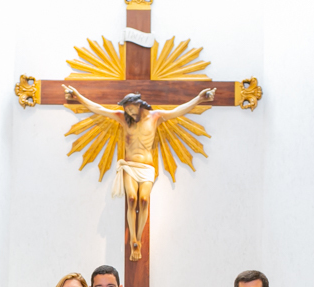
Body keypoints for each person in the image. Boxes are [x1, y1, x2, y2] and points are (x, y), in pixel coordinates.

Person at [60, 86, 215, 260]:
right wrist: (79, 96)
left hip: (147, 168)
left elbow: (179, 110)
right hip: (130, 166)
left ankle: (139, 238)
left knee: (143, 200)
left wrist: (199, 99)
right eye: (126, 109)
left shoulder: (155, 117)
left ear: (138, 104)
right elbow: (99, 109)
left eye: (130, 108)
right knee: (132, 199)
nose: (128, 112)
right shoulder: (123, 119)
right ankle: (133, 239)